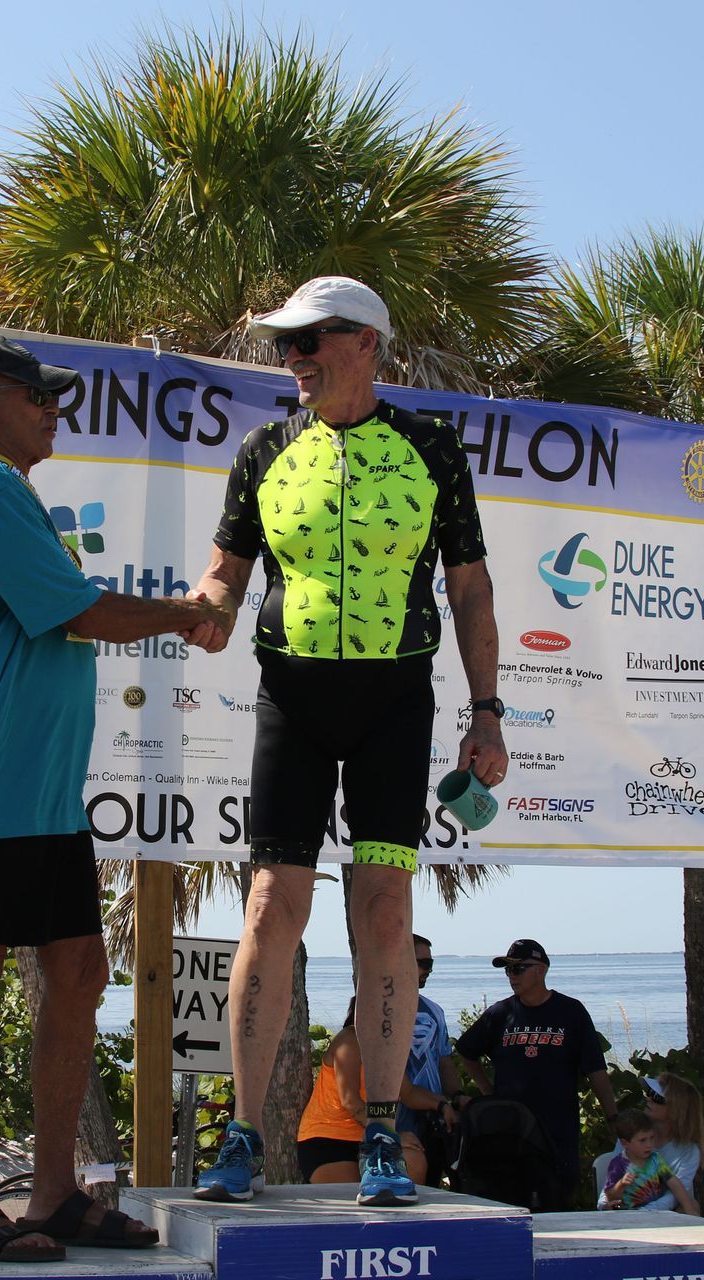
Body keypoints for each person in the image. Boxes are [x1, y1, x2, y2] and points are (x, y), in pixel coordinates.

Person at [0, 336, 227, 1259]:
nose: (54, 410)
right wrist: (191, 613)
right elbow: (84, 612)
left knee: (78, 968)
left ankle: (53, 1196)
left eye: (56, 397)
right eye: (38, 395)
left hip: (36, 790)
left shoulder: (8, 490)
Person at [189, 276, 507, 1209]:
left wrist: (487, 711)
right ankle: (244, 1134)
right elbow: (225, 572)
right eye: (284, 344)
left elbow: (471, 589)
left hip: (393, 702)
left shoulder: (431, 447)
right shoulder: (264, 450)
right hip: (291, 698)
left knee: (384, 913)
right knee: (269, 907)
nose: (292, 358)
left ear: (365, 342)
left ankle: (380, 1133)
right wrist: (201, 608)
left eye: (309, 340)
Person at [452, 939, 617, 1202]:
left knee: (556, 1205)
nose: (511, 976)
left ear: (540, 970)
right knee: (510, 1204)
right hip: (510, 1135)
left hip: (557, 1133)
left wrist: (612, 1116)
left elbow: (595, 1069)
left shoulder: (571, 1012)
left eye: (518, 969)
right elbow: (465, 1051)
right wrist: (488, 1092)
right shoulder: (500, 1013)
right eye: (508, 970)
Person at [296, 1001, 444, 1186]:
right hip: (328, 1139)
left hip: (372, 1138)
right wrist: (392, 1135)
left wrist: (444, 1105)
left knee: (415, 1161)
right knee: (355, 1196)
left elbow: (409, 1093)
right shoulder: (350, 1040)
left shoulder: (389, 1048)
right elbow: (350, 1101)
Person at [397, 934, 462, 1185]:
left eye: (430, 963)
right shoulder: (378, 1009)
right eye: (422, 963)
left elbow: (444, 1061)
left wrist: (456, 1096)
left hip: (433, 1119)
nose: (428, 971)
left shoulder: (434, 1011)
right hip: (395, 1124)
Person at [600, 1109, 696, 1214]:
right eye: (643, 1140)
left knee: (693, 1205)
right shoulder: (618, 1164)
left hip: (655, 1213)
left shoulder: (655, 1159)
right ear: (625, 1143)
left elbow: (673, 1182)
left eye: (652, 1138)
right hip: (629, 1216)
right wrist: (621, 1184)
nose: (649, 1144)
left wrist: (689, 1209)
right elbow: (610, 1197)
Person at [641, 1074, 704, 1204]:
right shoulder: (630, 1134)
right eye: (649, 1093)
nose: (649, 1099)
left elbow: (674, 1198)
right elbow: (613, 1177)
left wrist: (647, 1211)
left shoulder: (689, 1152)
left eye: (657, 1097)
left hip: (661, 1212)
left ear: (677, 1110)